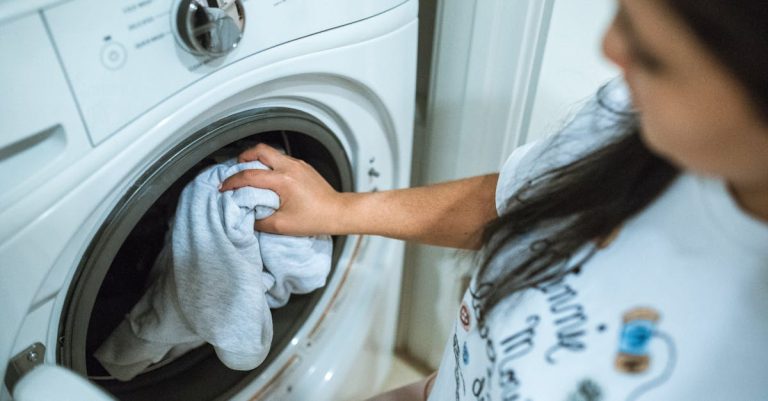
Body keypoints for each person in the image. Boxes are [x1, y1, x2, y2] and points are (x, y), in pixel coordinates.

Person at [220, 0, 768, 399]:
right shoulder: (626, 121)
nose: (610, 50)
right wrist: (339, 209)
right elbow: (515, 201)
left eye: (653, 56)